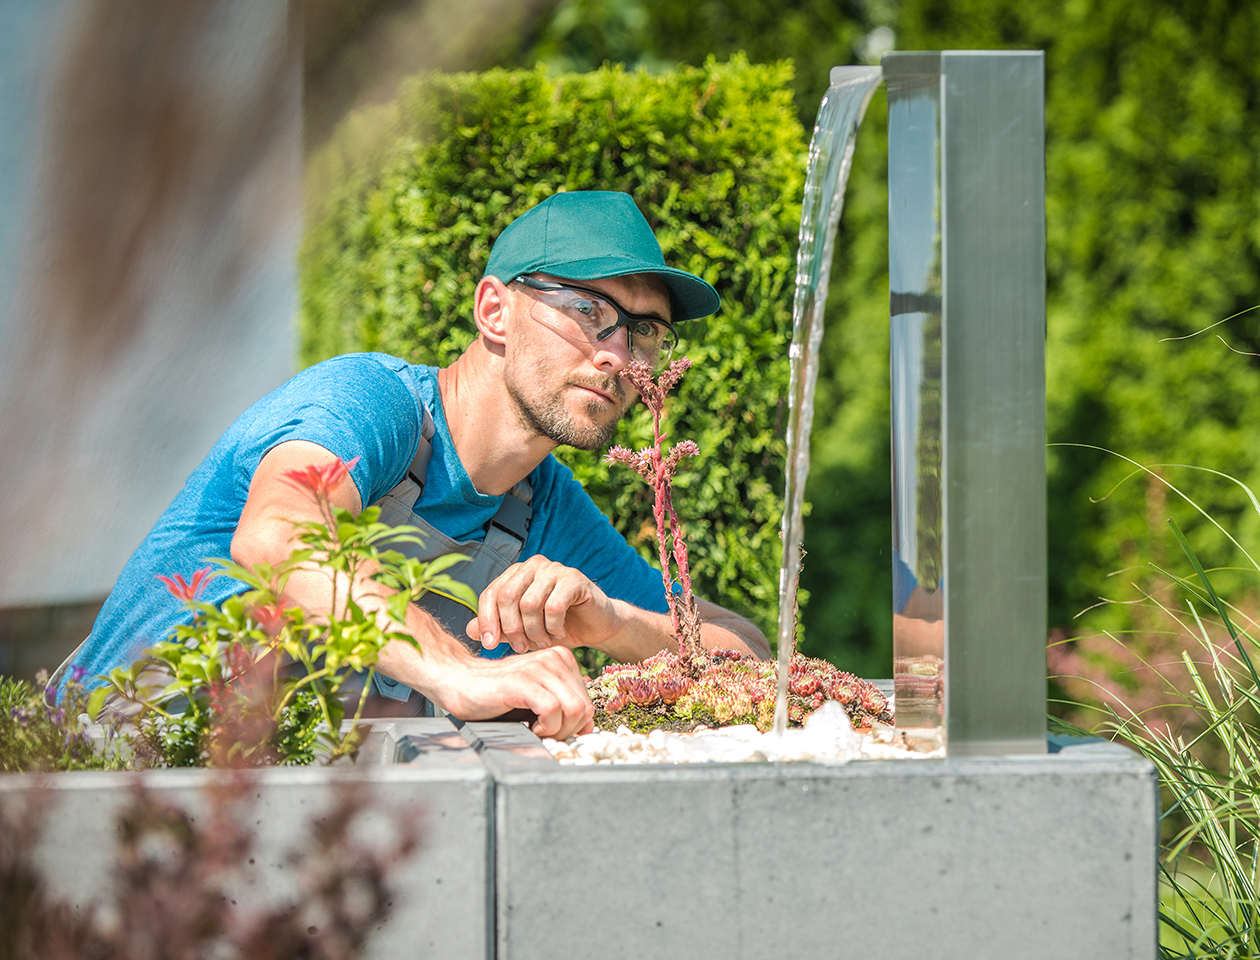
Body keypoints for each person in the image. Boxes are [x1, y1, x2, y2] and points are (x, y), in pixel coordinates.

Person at [64, 191, 768, 740]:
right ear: (494, 309)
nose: (617, 354)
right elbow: (279, 539)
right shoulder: (370, 406)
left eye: (644, 329)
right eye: (587, 308)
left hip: (273, 837)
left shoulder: (543, 507)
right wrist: (454, 669)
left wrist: (613, 623)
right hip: (97, 777)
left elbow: (749, 657)